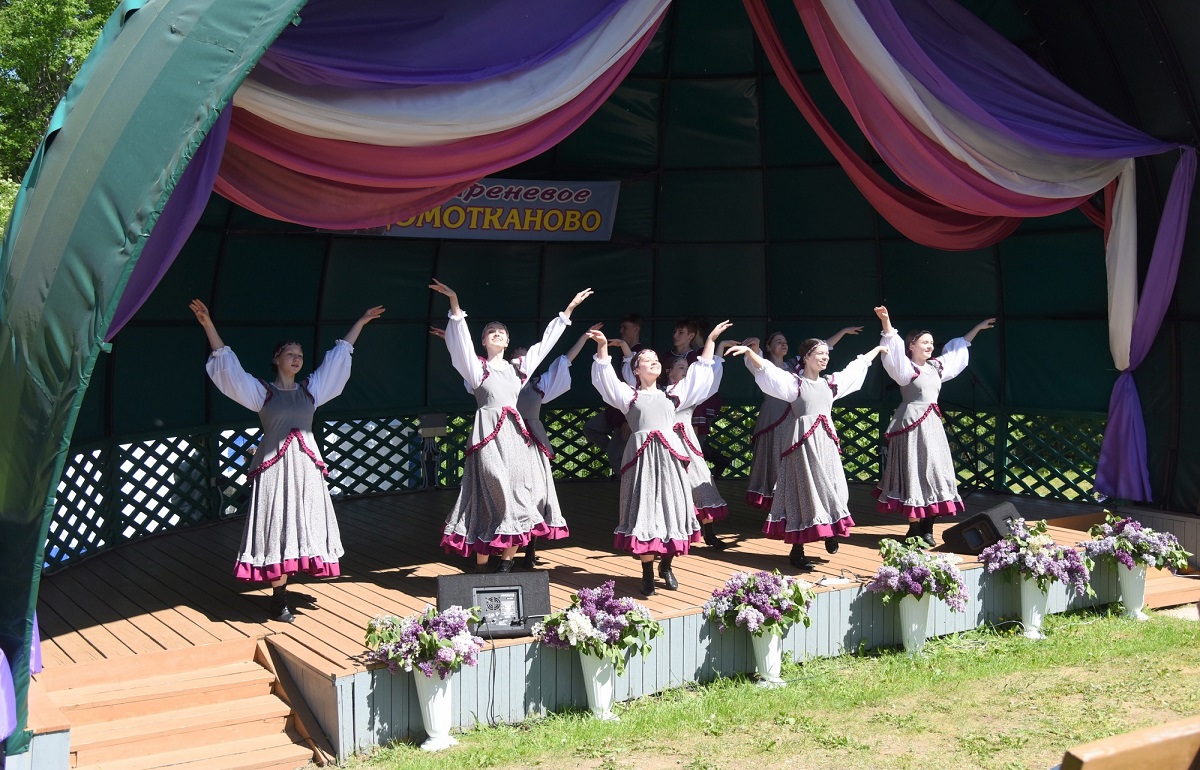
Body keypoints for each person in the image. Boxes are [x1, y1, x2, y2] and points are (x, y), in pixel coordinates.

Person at [189, 298, 384, 622]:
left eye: (301, 356)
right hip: (275, 469)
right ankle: (278, 599)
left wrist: (360, 323)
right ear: (276, 358)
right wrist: (208, 324)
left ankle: (288, 586)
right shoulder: (261, 392)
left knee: (303, 524)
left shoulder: (312, 390)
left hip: (306, 467)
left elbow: (336, 361)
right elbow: (231, 371)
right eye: (291, 354)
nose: (297, 359)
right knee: (277, 525)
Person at [430, 279, 592, 572]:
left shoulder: (519, 369)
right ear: (484, 341)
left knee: (519, 492)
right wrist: (454, 303)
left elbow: (545, 345)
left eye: (501, 332)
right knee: (494, 485)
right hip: (487, 435)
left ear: (507, 341)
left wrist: (568, 310)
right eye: (491, 332)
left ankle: (505, 563)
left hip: (515, 437)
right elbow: (461, 345)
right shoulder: (477, 369)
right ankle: (481, 562)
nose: (497, 334)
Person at [588, 320, 734, 596]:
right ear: (636, 370)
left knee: (673, 509)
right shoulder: (628, 396)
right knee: (644, 511)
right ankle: (645, 571)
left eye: (656, 359)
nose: (653, 361)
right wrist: (603, 347)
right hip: (641, 463)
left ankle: (666, 565)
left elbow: (700, 375)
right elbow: (605, 379)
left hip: (669, 461)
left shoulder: (673, 395)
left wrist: (712, 340)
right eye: (647, 360)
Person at [729, 337, 885, 569]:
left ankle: (831, 529)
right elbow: (768, 370)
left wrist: (878, 348)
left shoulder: (830, 383)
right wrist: (750, 353)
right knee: (802, 490)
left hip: (826, 443)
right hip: (802, 445)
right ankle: (797, 549)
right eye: (820, 354)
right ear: (807, 357)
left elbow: (856, 368)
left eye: (826, 354)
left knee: (834, 486)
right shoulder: (795, 384)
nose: (825, 357)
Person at [873, 306, 996, 547]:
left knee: (935, 472)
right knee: (912, 473)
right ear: (912, 346)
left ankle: (928, 526)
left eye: (931, 343)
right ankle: (914, 528)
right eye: (924, 343)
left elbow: (957, 350)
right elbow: (893, 350)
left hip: (931, 427)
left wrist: (977, 330)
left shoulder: (936, 367)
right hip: (909, 427)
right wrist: (886, 321)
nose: (930, 346)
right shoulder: (907, 369)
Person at [742, 327, 862, 510]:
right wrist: (754, 349)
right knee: (775, 456)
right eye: (778, 341)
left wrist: (843, 332)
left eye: (785, 342)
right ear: (768, 347)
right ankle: (778, 500)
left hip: (794, 417)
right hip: (774, 416)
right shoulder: (764, 364)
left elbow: (820, 347)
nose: (783, 344)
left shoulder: (794, 365)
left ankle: (798, 499)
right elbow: (757, 363)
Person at [666, 341, 740, 551]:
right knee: (670, 488)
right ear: (669, 371)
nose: (685, 371)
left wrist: (717, 348)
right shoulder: (660, 393)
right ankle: (676, 535)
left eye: (687, 368)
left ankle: (709, 533)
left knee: (700, 484)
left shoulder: (691, 391)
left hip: (687, 444)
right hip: (665, 445)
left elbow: (710, 377)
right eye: (681, 367)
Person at [582, 313, 644, 475]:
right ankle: (623, 455)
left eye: (625, 328)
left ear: (636, 329)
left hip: (628, 412)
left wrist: (628, 419)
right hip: (615, 410)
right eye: (621, 327)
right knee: (590, 428)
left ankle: (628, 486)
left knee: (615, 455)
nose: (621, 331)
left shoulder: (641, 354)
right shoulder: (622, 351)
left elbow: (638, 387)